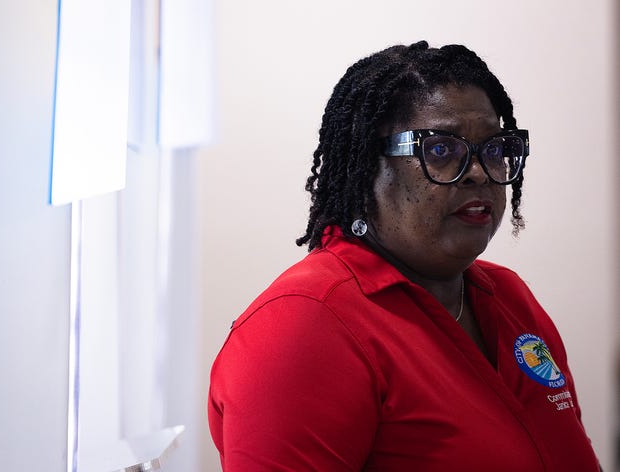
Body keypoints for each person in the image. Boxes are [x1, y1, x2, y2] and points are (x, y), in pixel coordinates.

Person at [208, 41, 601, 471]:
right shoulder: (303, 325)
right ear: (366, 166)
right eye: (439, 149)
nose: (476, 171)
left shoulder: (507, 296)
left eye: (493, 148)